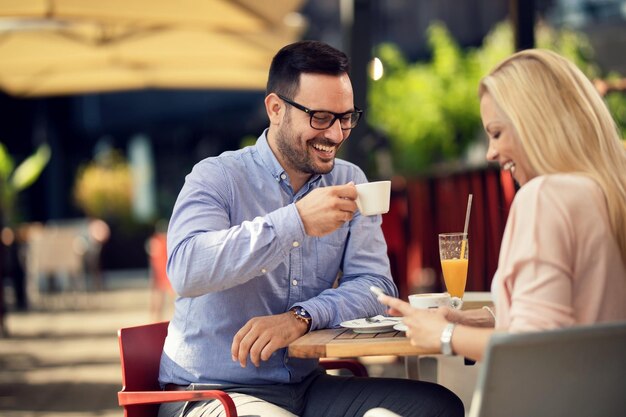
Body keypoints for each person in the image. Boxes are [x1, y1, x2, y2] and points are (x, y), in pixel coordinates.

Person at [158, 40, 464, 417]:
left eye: (346, 117)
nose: (336, 134)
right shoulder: (217, 177)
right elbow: (186, 271)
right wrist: (296, 221)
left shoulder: (351, 180)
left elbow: (376, 286)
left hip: (305, 387)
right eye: (320, 117)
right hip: (209, 392)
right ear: (275, 109)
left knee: (436, 407)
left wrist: (301, 318)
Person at [378, 49, 626, 364]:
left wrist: (443, 335)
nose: (490, 153)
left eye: (496, 133)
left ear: (536, 125)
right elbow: (579, 320)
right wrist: (483, 318)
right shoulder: (610, 189)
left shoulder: (545, 196)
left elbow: (535, 346)